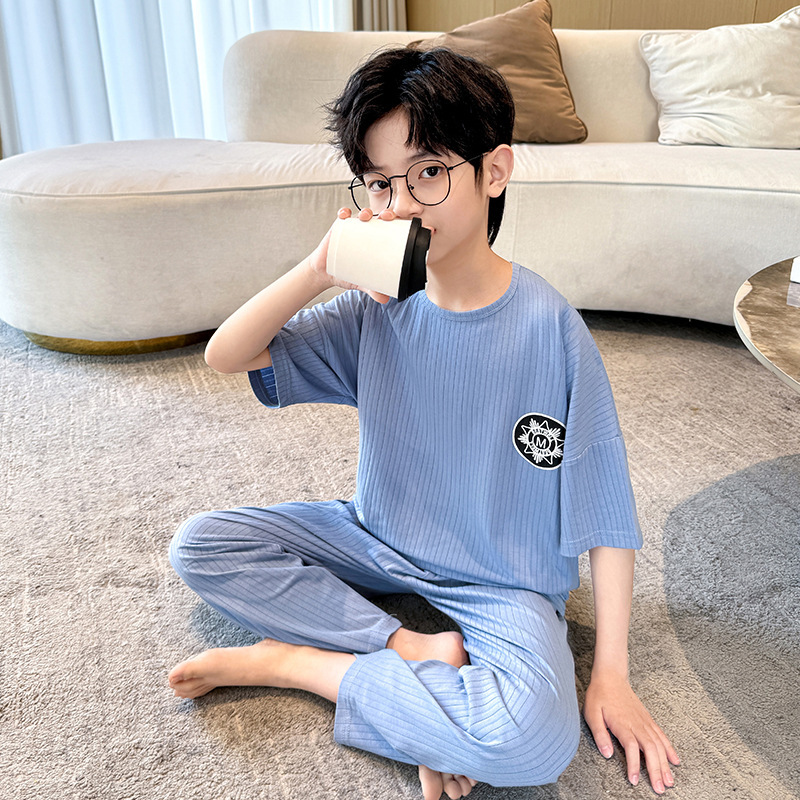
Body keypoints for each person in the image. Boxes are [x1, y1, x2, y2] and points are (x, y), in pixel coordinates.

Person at [167, 46, 679, 800]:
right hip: (374, 535)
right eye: (380, 183)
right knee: (202, 545)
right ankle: (408, 650)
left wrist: (611, 674)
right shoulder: (374, 311)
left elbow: (604, 511)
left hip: (502, 582)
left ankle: (302, 666)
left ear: (494, 172)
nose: (401, 204)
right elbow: (226, 355)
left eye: (428, 172)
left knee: (531, 741)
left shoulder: (552, 330)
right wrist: (319, 269)